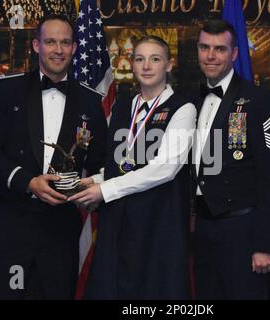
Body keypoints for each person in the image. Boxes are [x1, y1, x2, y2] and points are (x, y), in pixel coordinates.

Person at [0, 14, 107, 299]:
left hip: (60, 232)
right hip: (13, 227)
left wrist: (90, 188)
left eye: (65, 42)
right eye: (50, 42)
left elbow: (98, 163)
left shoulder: (91, 101)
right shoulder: (9, 90)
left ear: (74, 48)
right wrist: (28, 182)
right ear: (36, 46)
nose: (58, 49)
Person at [68, 36, 196, 299]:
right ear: (132, 65)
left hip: (158, 222)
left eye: (155, 59)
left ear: (169, 65)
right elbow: (122, 164)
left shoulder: (184, 109)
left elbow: (166, 167)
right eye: (140, 59)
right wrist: (93, 181)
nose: (146, 66)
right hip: (119, 219)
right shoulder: (124, 106)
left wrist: (104, 190)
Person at [192, 19, 270, 299]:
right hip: (203, 227)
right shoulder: (191, 99)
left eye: (219, 49)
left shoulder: (258, 100)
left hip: (243, 230)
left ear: (234, 54)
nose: (211, 56)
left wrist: (265, 244)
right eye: (205, 47)